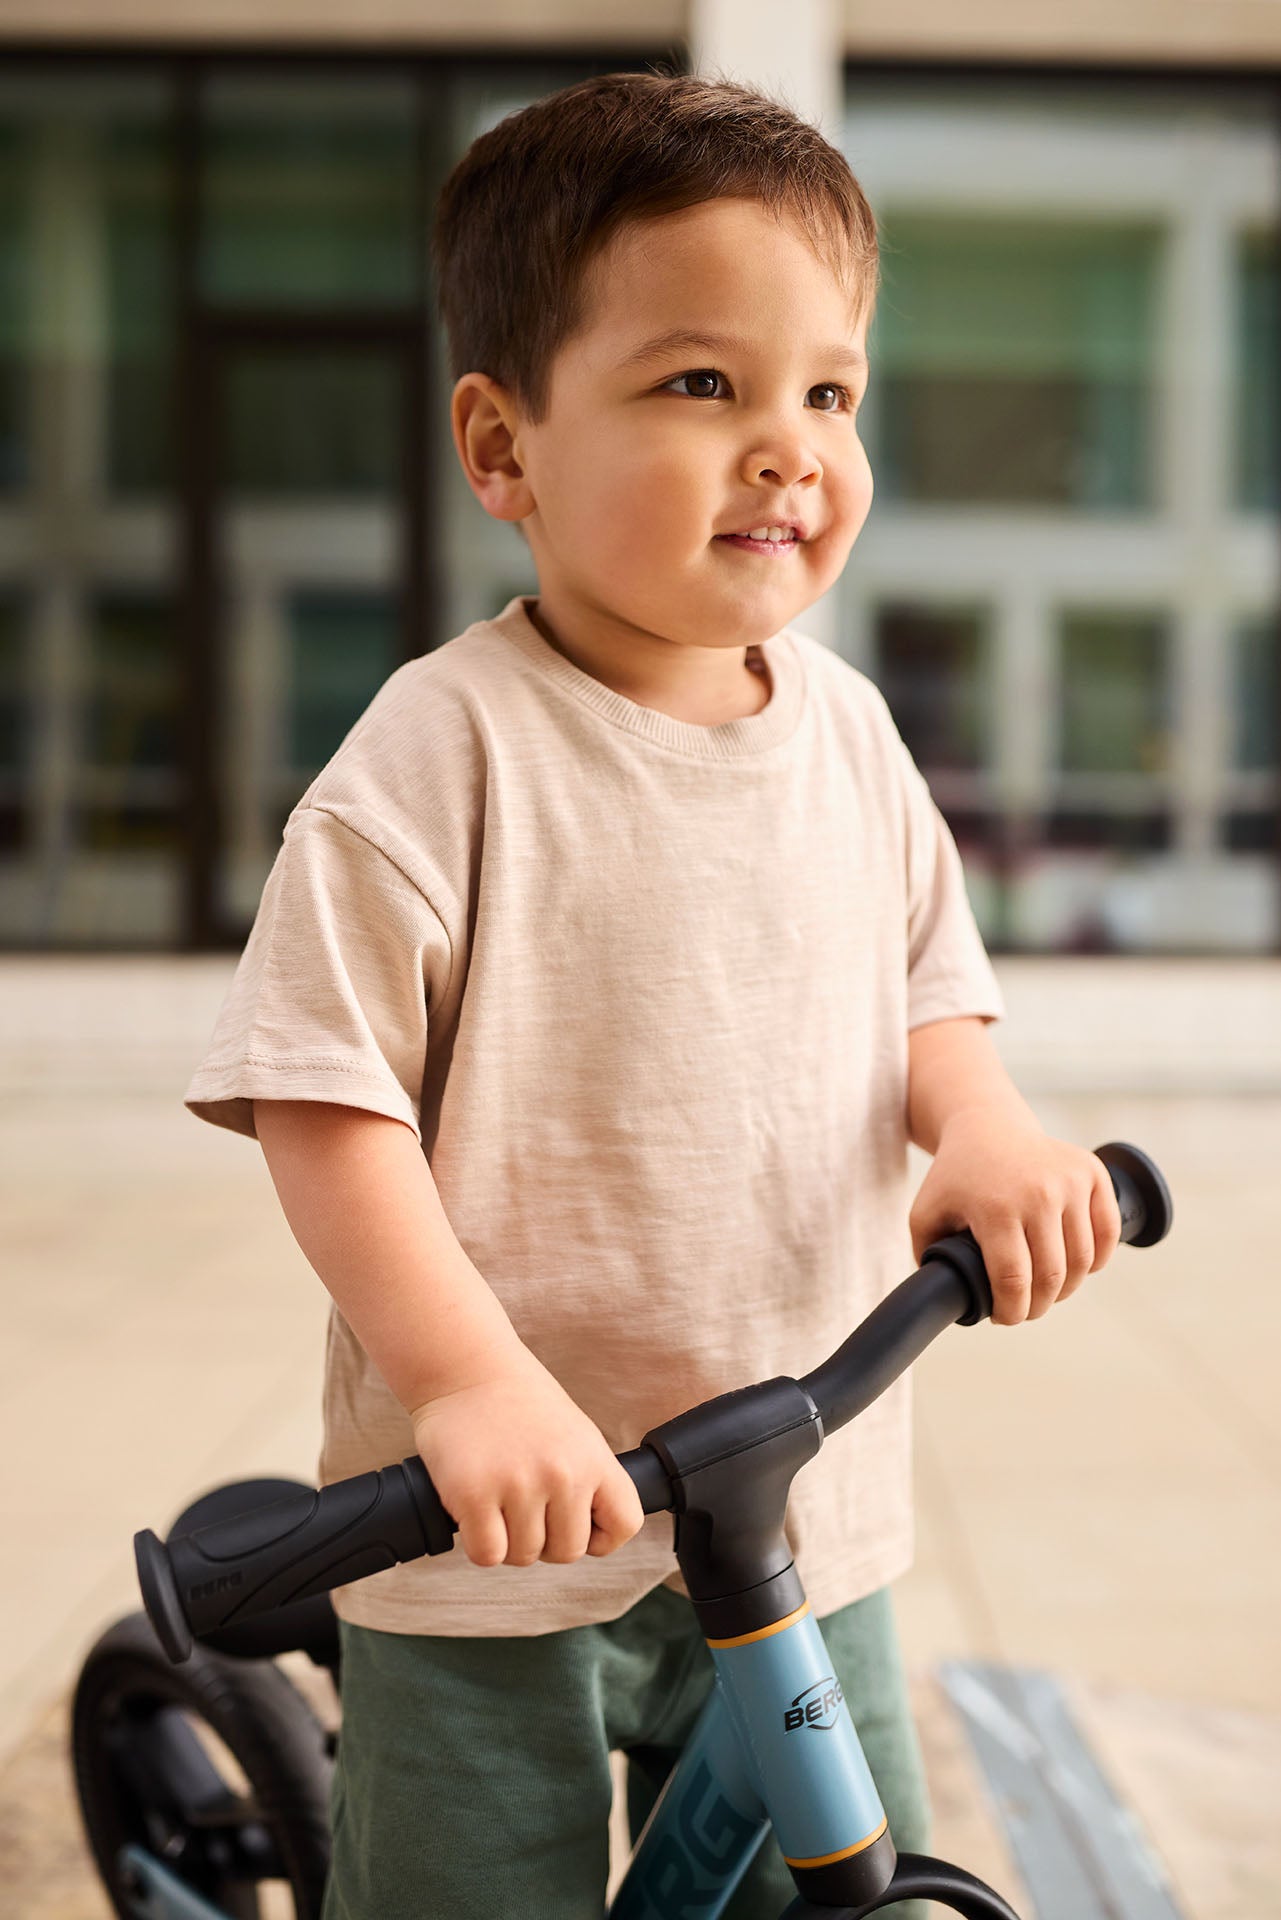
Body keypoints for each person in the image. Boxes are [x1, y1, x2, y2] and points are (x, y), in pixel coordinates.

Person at [184, 69, 1122, 1920]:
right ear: (502, 446)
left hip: (800, 1512)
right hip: (503, 1529)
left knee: (830, 1883)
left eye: (827, 392)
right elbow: (326, 1101)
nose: (788, 446)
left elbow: (929, 994)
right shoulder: (437, 754)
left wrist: (988, 1129)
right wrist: (464, 1385)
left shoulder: (850, 735)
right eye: (703, 385)